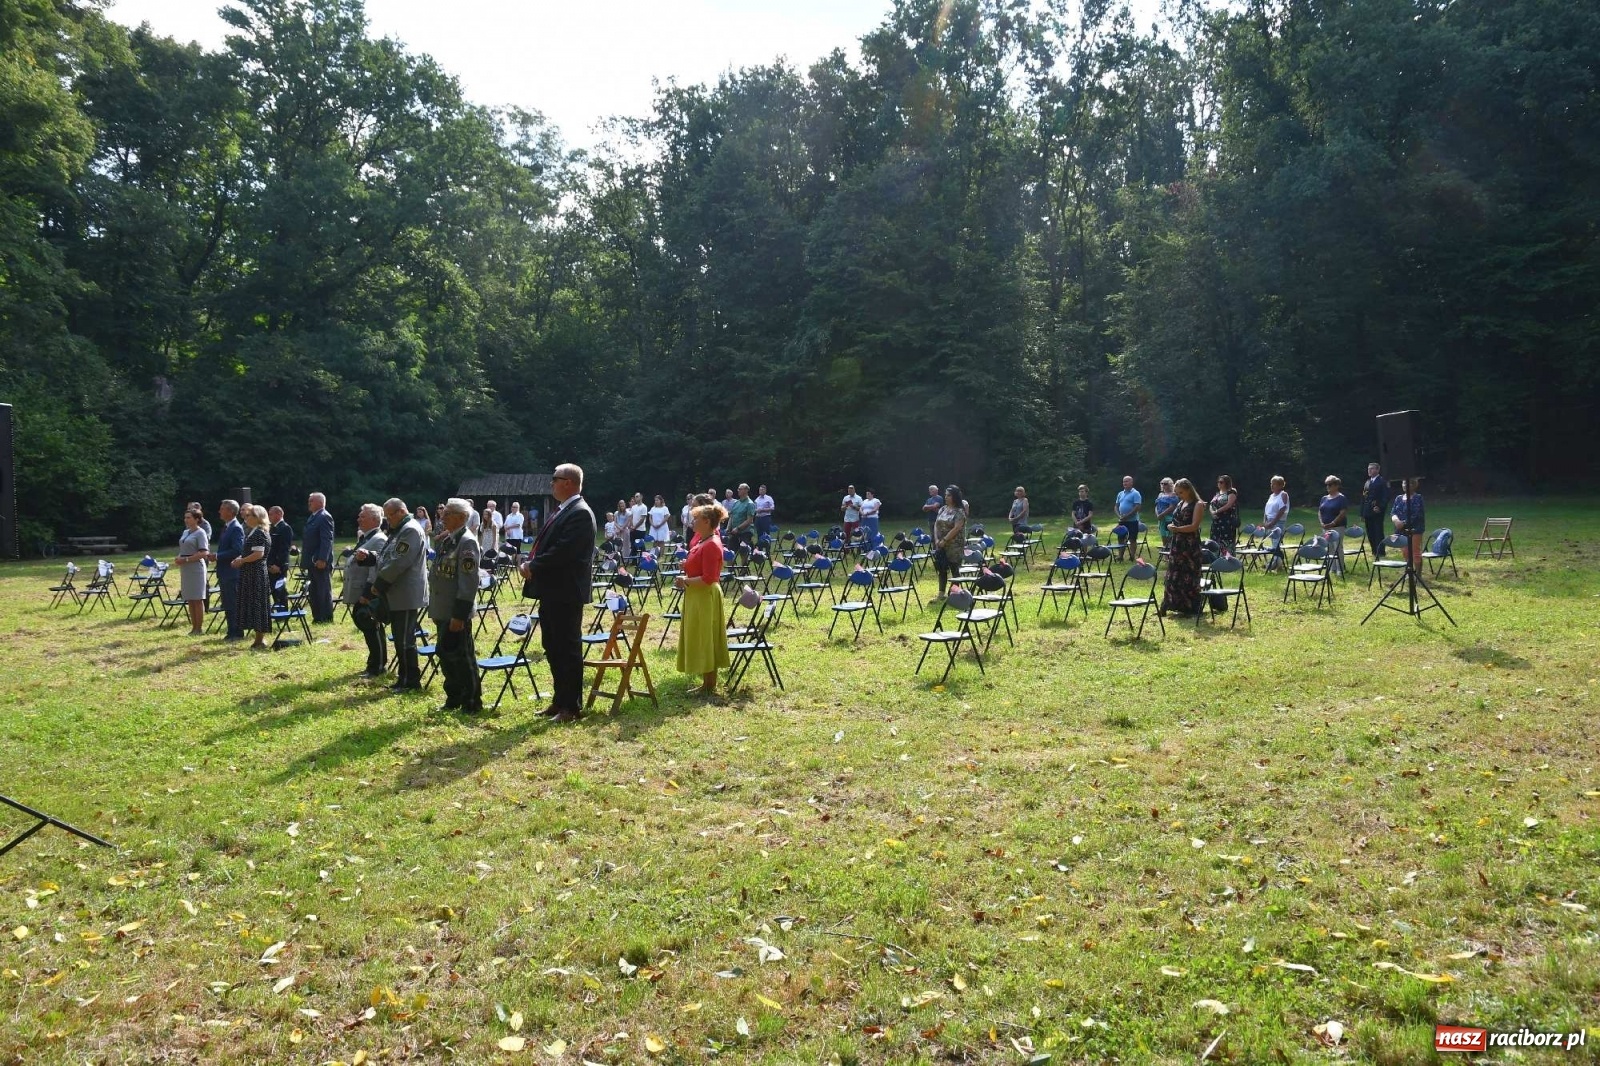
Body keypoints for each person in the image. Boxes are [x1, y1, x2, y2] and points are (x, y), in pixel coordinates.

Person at [519, 463, 596, 723]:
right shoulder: (564, 510)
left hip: (566, 591)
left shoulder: (580, 513)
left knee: (567, 648)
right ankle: (559, 700)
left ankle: (571, 707)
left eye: (555, 478)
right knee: (552, 645)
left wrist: (534, 565)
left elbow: (565, 551)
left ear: (569, 482)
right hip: (552, 590)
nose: (551, 483)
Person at [362, 499, 429, 692]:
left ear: (401, 512)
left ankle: (411, 681)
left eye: (390, 515)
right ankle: (403, 679)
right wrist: (371, 558)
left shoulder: (410, 530)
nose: (387, 519)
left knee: (405, 639)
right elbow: (387, 556)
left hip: (406, 593)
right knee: (400, 638)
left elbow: (400, 561)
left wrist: (379, 583)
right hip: (397, 592)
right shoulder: (399, 530)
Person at [429, 499, 483, 714]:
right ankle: (453, 697)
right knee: (445, 655)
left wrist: (459, 615)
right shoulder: (449, 540)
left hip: (455, 611)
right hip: (442, 608)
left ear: (461, 517)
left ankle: (471, 701)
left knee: (462, 657)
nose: (443, 517)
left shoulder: (467, 542)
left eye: (448, 513)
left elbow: (468, 582)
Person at [675, 501, 731, 696]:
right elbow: (699, 566)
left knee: (707, 637)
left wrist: (685, 580)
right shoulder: (702, 541)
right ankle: (706, 682)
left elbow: (708, 578)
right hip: (696, 595)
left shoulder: (712, 544)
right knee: (700, 635)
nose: (693, 522)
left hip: (705, 596)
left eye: (696, 519)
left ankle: (709, 684)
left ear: (707, 522)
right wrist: (687, 565)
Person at [344, 503, 388, 676]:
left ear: (374, 519)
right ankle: (375, 663)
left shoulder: (378, 540)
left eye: (362, 516)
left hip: (366, 592)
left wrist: (367, 595)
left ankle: (377, 666)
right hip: (359, 590)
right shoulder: (366, 537)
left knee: (371, 626)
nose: (358, 518)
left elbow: (375, 571)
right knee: (368, 627)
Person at [1160, 478, 1204, 618]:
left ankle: (1190, 607)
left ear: (1189, 490)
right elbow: (1173, 521)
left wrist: (1177, 529)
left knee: (1189, 574)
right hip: (1177, 543)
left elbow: (1194, 526)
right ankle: (1171, 604)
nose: (1179, 495)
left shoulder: (1198, 504)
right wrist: (1170, 526)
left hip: (1190, 545)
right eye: (1177, 493)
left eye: (1181, 492)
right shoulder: (1180, 503)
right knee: (1173, 574)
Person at [234, 504, 273, 650]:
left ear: (257, 518)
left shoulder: (259, 533)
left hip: (256, 573)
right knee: (254, 603)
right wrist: (240, 558)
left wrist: (242, 560)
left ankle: (260, 640)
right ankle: (258, 639)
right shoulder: (253, 532)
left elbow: (258, 554)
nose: (246, 518)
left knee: (258, 604)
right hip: (251, 572)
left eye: (249, 515)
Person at [211, 500, 245, 641]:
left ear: (230, 511)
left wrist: (217, 556)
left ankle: (237, 632)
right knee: (227, 603)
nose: (219, 511)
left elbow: (237, 550)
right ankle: (231, 631)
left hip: (231, 572)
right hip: (225, 572)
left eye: (222, 509)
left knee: (233, 603)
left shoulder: (236, 528)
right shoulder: (226, 527)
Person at [175, 508, 209, 635]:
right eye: (185, 517)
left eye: (189, 517)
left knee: (197, 598)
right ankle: (193, 627)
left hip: (196, 568)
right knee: (190, 598)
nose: (186, 520)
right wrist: (179, 557)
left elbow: (204, 553)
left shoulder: (201, 533)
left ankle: (199, 628)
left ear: (197, 519)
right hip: (186, 568)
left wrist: (187, 559)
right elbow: (184, 548)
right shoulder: (185, 532)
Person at [303, 492, 335, 623]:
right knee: (314, 591)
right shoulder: (313, 517)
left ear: (320, 503)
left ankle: (326, 617)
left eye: (311, 501)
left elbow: (327, 539)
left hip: (319, 561)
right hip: (312, 561)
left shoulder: (324, 517)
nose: (309, 503)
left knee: (323, 590)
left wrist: (323, 559)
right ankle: (317, 617)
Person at [931, 485, 967, 597]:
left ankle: (954, 593)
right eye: (945, 495)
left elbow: (956, 528)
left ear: (955, 497)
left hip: (954, 545)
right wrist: (937, 539)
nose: (946, 497)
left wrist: (945, 540)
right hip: (940, 544)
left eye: (948, 495)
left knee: (954, 568)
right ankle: (941, 593)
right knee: (941, 568)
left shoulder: (960, 512)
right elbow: (936, 524)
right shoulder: (942, 509)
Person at [1391, 477, 1426, 568]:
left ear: (1415, 485)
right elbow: (1393, 512)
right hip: (1401, 530)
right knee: (1405, 552)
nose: (1405, 485)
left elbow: (1416, 514)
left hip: (1414, 529)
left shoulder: (1418, 498)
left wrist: (1403, 523)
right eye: (1403, 483)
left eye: (1408, 483)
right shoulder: (1398, 498)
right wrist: (1396, 520)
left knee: (1415, 553)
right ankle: (1409, 572)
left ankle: (1418, 575)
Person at [267, 505, 294, 610]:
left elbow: (284, 549)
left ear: (279, 514)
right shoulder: (272, 528)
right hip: (271, 564)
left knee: (280, 589)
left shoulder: (285, 528)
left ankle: (283, 611)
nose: (269, 516)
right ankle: (278, 610)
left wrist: (278, 565)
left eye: (271, 514)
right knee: (274, 589)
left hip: (279, 565)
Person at [1361, 462, 1390, 559]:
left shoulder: (1381, 481)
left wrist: (1380, 507)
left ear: (1377, 470)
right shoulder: (1367, 482)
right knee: (1370, 531)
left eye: (1372, 468)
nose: (1369, 470)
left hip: (1376, 511)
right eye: (1368, 468)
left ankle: (1380, 551)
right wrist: (1362, 513)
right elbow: (1364, 498)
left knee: (1378, 531)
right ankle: (1374, 550)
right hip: (1367, 511)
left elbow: (1385, 497)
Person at [1208, 475, 1240, 551]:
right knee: (1215, 542)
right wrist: (1212, 513)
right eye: (1218, 482)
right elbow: (1211, 504)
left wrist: (1216, 511)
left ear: (1227, 483)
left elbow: (1228, 505)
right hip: (1216, 523)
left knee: (1226, 542)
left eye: (1221, 482)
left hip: (1226, 522)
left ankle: (1228, 559)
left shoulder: (1231, 492)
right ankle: (1217, 559)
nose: (1219, 484)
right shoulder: (1217, 494)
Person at [1114, 475, 1143, 543]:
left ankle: (1132, 554)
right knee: (1121, 539)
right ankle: (1120, 554)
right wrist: (1119, 516)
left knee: (1132, 539)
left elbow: (1137, 507)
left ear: (1131, 483)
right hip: (1122, 521)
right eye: (1124, 482)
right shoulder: (1120, 494)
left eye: (1127, 481)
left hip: (1132, 521)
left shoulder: (1135, 493)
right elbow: (1116, 506)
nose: (1125, 483)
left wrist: (1127, 516)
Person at [1154, 479, 1179, 545]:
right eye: (1162, 483)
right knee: (1163, 536)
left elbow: (1172, 507)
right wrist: (1157, 515)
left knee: (1169, 536)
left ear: (1170, 484)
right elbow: (1156, 505)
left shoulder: (1173, 495)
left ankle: (1170, 552)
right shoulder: (1160, 494)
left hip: (1169, 517)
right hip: (1161, 518)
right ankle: (1165, 552)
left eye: (1165, 484)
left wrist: (1162, 514)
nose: (1163, 485)